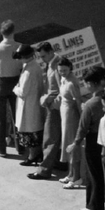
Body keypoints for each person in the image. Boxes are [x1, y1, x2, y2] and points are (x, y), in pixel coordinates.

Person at [76, 66, 105, 209]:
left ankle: (94, 205)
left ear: (91, 84)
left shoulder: (90, 104)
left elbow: (83, 127)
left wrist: (76, 143)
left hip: (94, 139)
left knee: (93, 173)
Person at [28, 42, 65, 180]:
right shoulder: (53, 62)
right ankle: (57, 162)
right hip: (53, 104)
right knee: (56, 136)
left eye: (43, 56)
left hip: (54, 106)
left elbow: (61, 89)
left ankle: (44, 170)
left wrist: (49, 101)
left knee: (50, 138)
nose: (42, 59)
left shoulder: (57, 66)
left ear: (50, 52)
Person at [0, 20, 23, 157]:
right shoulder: (19, 47)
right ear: (13, 31)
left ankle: (0, 148)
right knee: (17, 115)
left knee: (0, 117)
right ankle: (20, 146)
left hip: (1, 82)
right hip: (16, 81)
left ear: (1, 32)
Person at [12, 44, 45, 166]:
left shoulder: (28, 71)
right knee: (34, 130)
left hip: (28, 105)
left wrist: (15, 88)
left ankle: (33, 156)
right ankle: (36, 154)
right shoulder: (34, 66)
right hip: (34, 102)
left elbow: (23, 92)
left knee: (30, 132)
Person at [56, 57, 83, 188]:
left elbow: (78, 101)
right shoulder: (63, 79)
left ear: (70, 68)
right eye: (60, 70)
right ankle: (71, 174)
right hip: (64, 114)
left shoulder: (72, 82)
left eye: (65, 70)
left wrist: (82, 118)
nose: (62, 73)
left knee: (73, 147)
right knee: (67, 144)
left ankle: (76, 177)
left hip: (71, 116)